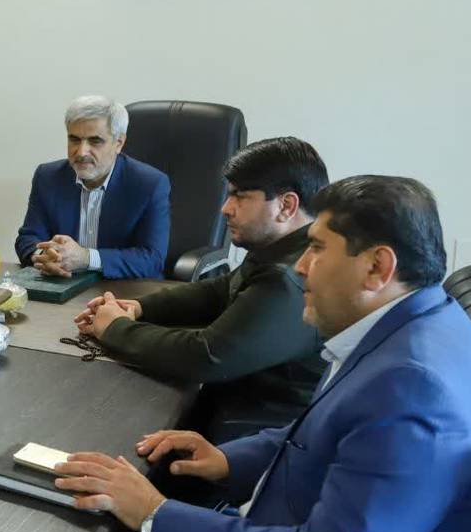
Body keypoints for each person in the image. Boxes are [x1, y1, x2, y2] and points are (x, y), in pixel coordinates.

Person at [56, 176, 471, 532]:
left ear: (377, 267)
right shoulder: (420, 325)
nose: (300, 266)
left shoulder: (413, 389)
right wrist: (227, 459)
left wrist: (154, 512)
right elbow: (323, 431)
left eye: (316, 248)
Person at [75, 137, 328, 442]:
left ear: (286, 206)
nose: (225, 208)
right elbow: (221, 290)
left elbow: (205, 356)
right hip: (235, 402)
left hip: (253, 432)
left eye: (240, 197)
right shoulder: (284, 249)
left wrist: (115, 329)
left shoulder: (287, 277)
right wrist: (140, 307)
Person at [15, 96, 171, 280]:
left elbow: (152, 259)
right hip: (63, 285)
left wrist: (87, 258)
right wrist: (45, 256)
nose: (81, 152)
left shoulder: (149, 184)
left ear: (119, 143)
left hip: (124, 290)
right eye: (74, 139)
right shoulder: (48, 177)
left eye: (95, 141)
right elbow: (28, 237)